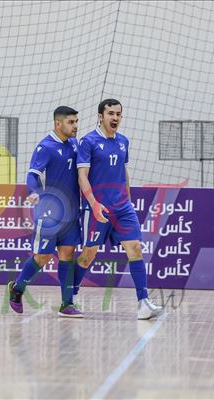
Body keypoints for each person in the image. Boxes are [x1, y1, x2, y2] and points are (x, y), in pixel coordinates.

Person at [75, 98, 163, 320]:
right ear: (100, 116)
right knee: (88, 255)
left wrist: (129, 201)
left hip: (123, 208)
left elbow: (124, 173)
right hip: (98, 209)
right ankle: (71, 296)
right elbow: (82, 176)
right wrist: (93, 204)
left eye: (118, 114)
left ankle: (143, 302)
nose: (115, 118)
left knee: (135, 248)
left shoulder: (123, 141)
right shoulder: (88, 141)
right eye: (111, 114)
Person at [7, 106, 83, 318]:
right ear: (58, 123)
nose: (75, 126)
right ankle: (17, 289)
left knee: (67, 254)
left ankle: (67, 304)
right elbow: (32, 174)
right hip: (49, 214)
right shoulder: (45, 147)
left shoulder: (75, 145)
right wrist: (33, 192)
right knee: (42, 257)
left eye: (76, 122)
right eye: (71, 122)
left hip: (71, 212)